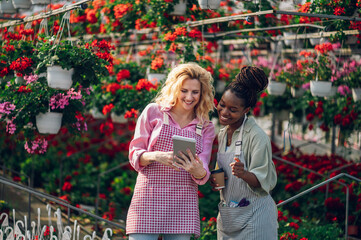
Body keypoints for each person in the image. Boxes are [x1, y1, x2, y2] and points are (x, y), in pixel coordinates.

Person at [127, 62, 216, 240]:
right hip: (149, 196)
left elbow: (203, 171)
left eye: (195, 92)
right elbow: (134, 154)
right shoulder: (154, 112)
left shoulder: (206, 127)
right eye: (184, 90)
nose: (189, 97)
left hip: (183, 201)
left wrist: (197, 170)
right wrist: (156, 156)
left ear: (202, 93)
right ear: (175, 88)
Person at [210, 66, 278, 239]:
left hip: (256, 218)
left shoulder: (257, 137)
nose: (224, 112)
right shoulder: (224, 133)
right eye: (222, 105)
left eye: (233, 110)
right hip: (229, 216)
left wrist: (244, 174)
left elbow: (263, 181)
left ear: (245, 110)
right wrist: (215, 180)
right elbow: (221, 174)